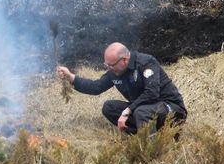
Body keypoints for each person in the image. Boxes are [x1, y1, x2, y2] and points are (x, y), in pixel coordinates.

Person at [57, 42, 186, 134]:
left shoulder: (145, 62)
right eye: (106, 65)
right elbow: (95, 87)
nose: (109, 69)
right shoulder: (115, 72)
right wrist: (71, 77)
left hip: (171, 109)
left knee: (141, 111)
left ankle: (151, 149)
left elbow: (152, 93)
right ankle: (142, 136)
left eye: (111, 65)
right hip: (144, 110)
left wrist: (128, 110)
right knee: (109, 107)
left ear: (124, 60)